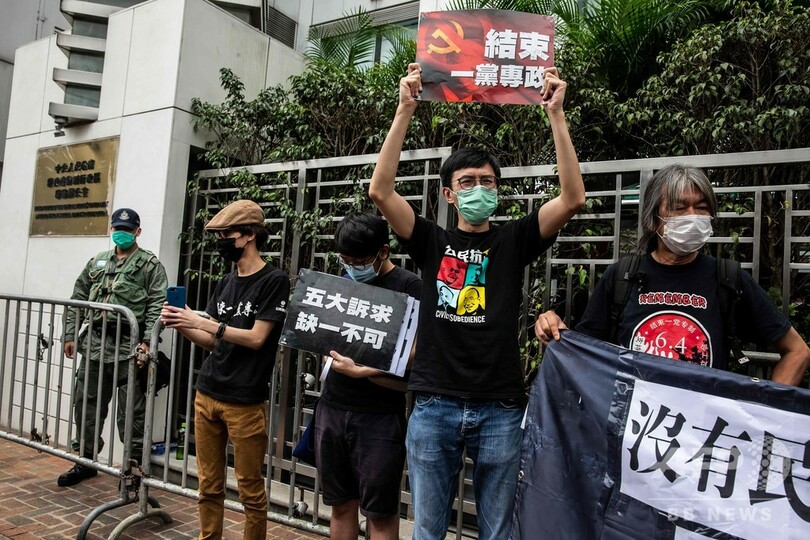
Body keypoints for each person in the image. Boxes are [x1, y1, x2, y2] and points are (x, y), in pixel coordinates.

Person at [368, 63, 585, 539]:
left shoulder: (514, 240)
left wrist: (556, 114)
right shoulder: (431, 240)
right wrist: (405, 109)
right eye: (467, 182)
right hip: (434, 405)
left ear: (498, 192)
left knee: (497, 533)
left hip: (499, 408)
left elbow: (572, 198)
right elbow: (380, 192)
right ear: (449, 194)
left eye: (487, 181)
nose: (478, 189)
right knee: (428, 531)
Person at [536, 165, 810, 385]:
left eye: (701, 207)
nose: (693, 216)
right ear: (653, 219)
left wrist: (763, 416)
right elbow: (582, 353)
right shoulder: (622, 276)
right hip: (632, 426)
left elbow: (797, 351)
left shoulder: (728, 278)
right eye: (679, 208)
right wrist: (554, 327)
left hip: (702, 430)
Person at [160, 199, 290, 539]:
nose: (221, 242)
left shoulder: (273, 280)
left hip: (245, 401)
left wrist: (202, 322)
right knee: (208, 485)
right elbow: (213, 341)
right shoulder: (227, 281)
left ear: (249, 235)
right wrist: (182, 323)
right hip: (207, 393)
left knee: (250, 490)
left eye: (226, 235)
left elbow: (257, 338)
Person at [314, 212, 422, 540]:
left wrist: (364, 371)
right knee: (340, 505)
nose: (351, 267)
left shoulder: (409, 286)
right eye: (345, 260)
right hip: (332, 406)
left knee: (380, 513)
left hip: (379, 416)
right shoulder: (343, 282)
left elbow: (417, 351)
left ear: (383, 252)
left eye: (359, 261)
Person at [59, 207, 168, 486]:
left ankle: (133, 470)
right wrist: (70, 334)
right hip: (94, 346)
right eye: (118, 229)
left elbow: (157, 306)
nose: (121, 234)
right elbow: (78, 297)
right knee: (86, 406)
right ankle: (85, 461)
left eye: (127, 230)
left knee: (132, 413)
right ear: (112, 229)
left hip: (130, 349)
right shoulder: (97, 262)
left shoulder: (149, 266)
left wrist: (147, 343)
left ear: (138, 232)